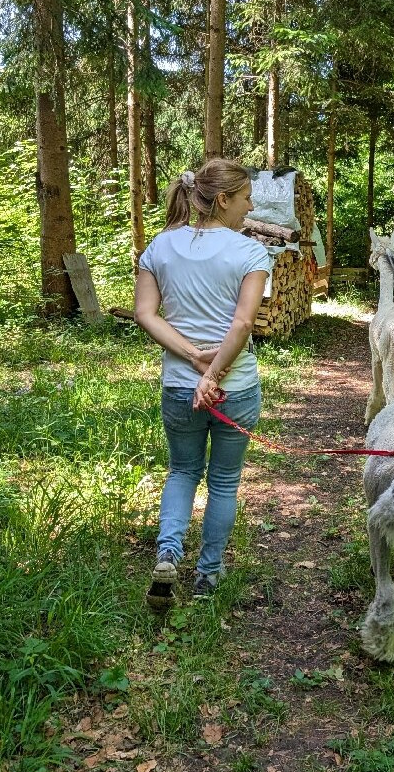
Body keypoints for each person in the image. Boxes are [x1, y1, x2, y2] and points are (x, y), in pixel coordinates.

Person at [134, 158, 271, 601]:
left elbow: (145, 315)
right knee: (224, 481)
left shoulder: (159, 247)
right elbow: (244, 323)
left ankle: (169, 554)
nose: (249, 208)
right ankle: (208, 576)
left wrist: (193, 360)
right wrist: (213, 373)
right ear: (224, 199)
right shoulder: (250, 252)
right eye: (246, 198)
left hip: (178, 384)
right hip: (236, 388)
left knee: (182, 470)